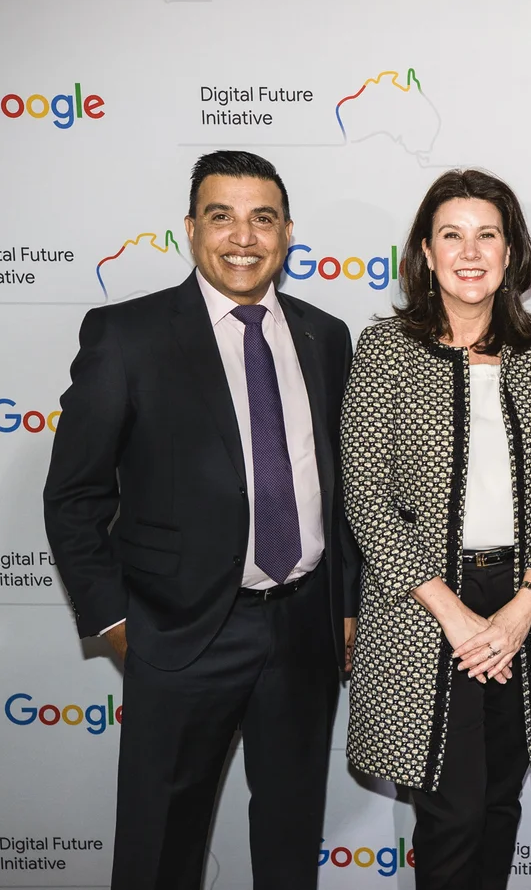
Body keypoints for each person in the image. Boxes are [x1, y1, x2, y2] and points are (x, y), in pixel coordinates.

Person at [43, 150, 360, 889]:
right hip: (179, 632)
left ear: (286, 233)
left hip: (303, 627)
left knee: (290, 840)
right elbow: (74, 495)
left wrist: (344, 606)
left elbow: (339, 486)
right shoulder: (127, 335)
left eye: (262, 218)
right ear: (191, 229)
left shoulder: (325, 333)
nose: (242, 237)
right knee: (161, 851)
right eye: (221, 216)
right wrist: (115, 620)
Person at [340, 168, 531, 890]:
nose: (470, 251)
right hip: (421, 607)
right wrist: (452, 613)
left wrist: (521, 609)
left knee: (498, 800)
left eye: (488, 235)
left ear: (510, 253)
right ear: (425, 250)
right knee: (451, 814)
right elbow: (366, 496)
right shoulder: (384, 348)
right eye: (452, 234)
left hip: (521, 600)